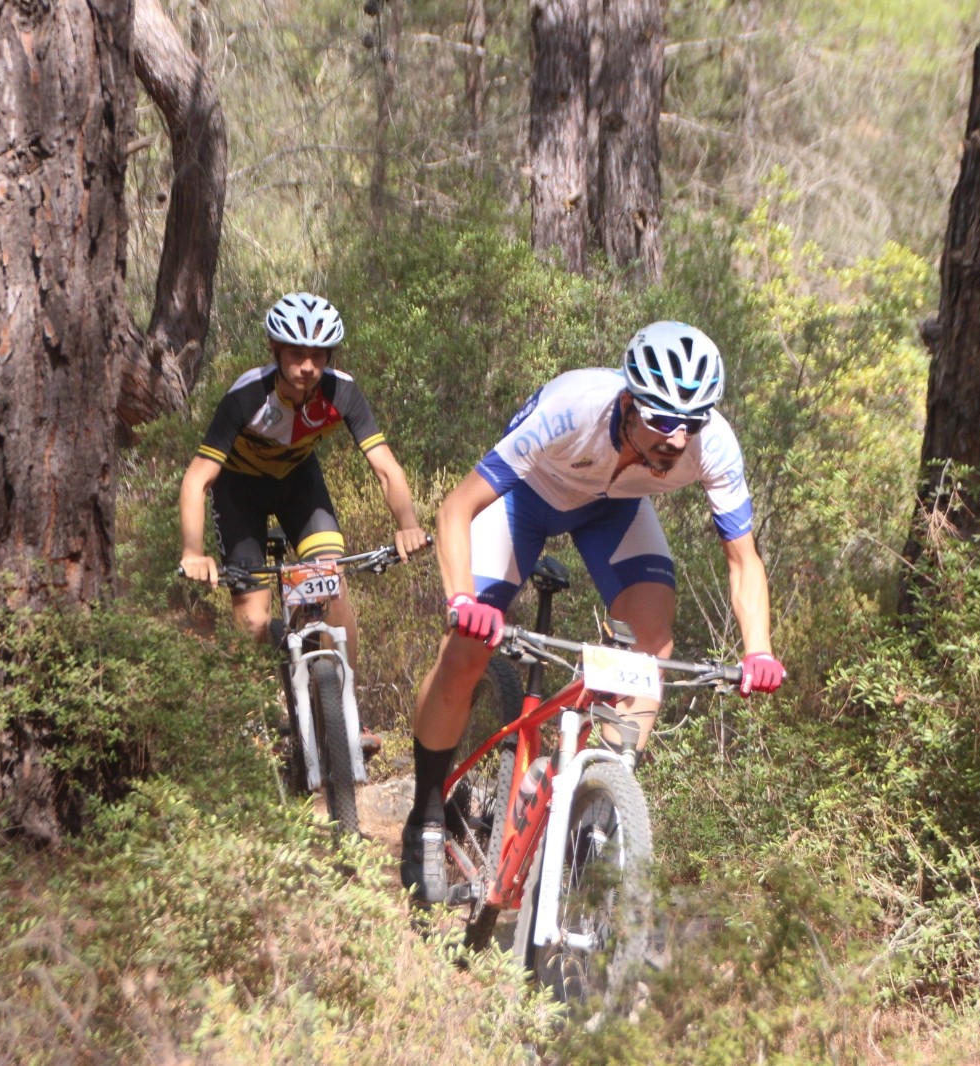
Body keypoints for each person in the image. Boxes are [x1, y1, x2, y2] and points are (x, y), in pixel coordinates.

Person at [400, 320, 786, 902]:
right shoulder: (571, 410)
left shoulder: (715, 444)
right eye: (659, 419)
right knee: (466, 651)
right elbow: (457, 508)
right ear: (628, 401)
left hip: (614, 509)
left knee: (652, 642)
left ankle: (595, 804)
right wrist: (462, 601)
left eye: (691, 423)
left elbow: (743, 560)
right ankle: (426, 811)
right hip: (528, 497)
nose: (676, 440)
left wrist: (758, 649)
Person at [179, 293, 430, 706]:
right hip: (240, 492)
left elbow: (386, 468)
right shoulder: (246, 395)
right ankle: (249, 721)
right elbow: (196, 480)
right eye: (296, 355)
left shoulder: (342, 392)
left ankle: (346, 714)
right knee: (253, 622)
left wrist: (407, 524)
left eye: (319, 355)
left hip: (299, 486)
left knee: (331, 583)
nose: (308, 367)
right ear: (274, 351)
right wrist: (193, 551)